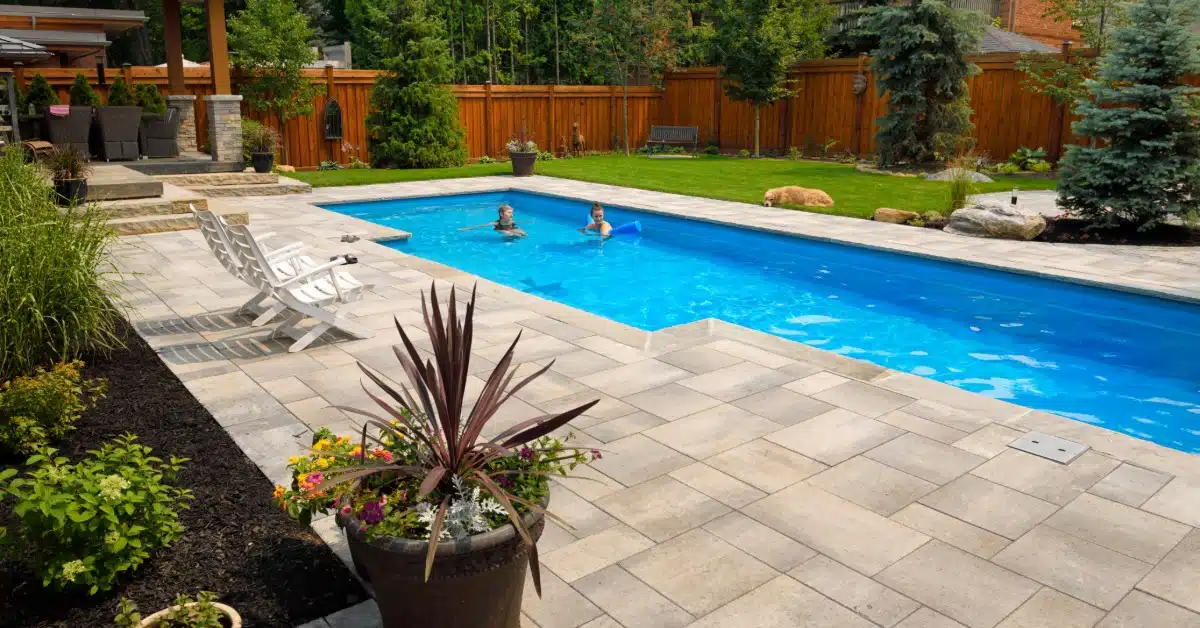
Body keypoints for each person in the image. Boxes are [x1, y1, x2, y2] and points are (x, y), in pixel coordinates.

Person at [461, 204, 526, 237]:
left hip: (511, 229)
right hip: (502, 231)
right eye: (509, 212)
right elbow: (481, 226)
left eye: (512, 212)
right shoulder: (496, 223)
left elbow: (515, 227)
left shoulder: (512, 221)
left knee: (524, 235)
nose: (511, 214)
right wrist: (466, 228)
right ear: (501, 214)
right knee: (508, 234)